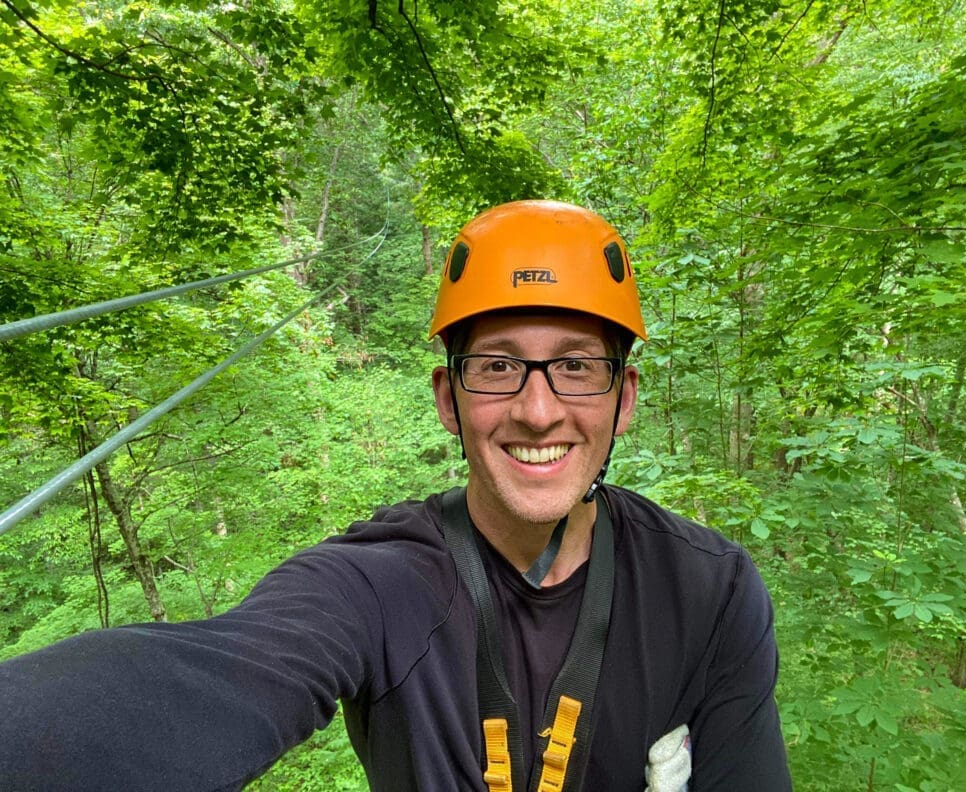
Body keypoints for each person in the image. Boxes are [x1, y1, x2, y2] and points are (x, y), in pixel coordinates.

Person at [0, 200, 791, 791]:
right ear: (450, 400)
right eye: (498, 364)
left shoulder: (707, 591)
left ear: (624, 400)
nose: (539, 408)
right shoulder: (380, 586)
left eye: (578, 365)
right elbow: (203, 679)